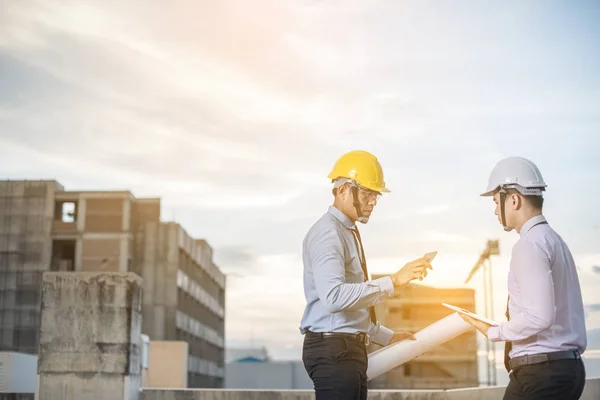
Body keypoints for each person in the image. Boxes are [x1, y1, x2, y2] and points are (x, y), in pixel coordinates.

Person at [299, 150, 434, 400]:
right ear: (342, 191)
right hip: (334, 350)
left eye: (375, 195)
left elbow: (350, 305)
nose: (372, 202)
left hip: (345, 349)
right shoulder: (328, 233)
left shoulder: (346, 231)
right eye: (366, 193)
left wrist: (386, 336)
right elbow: (334, 298)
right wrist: (393, 281)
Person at [460, 156, 587, 400]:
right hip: (563, 370)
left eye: (497, 202)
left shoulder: (529, 245)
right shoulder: (555, 241)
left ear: (514, 199)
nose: (496, 210)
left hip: (541, 373)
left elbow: (540, 316)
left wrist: (495, 331)